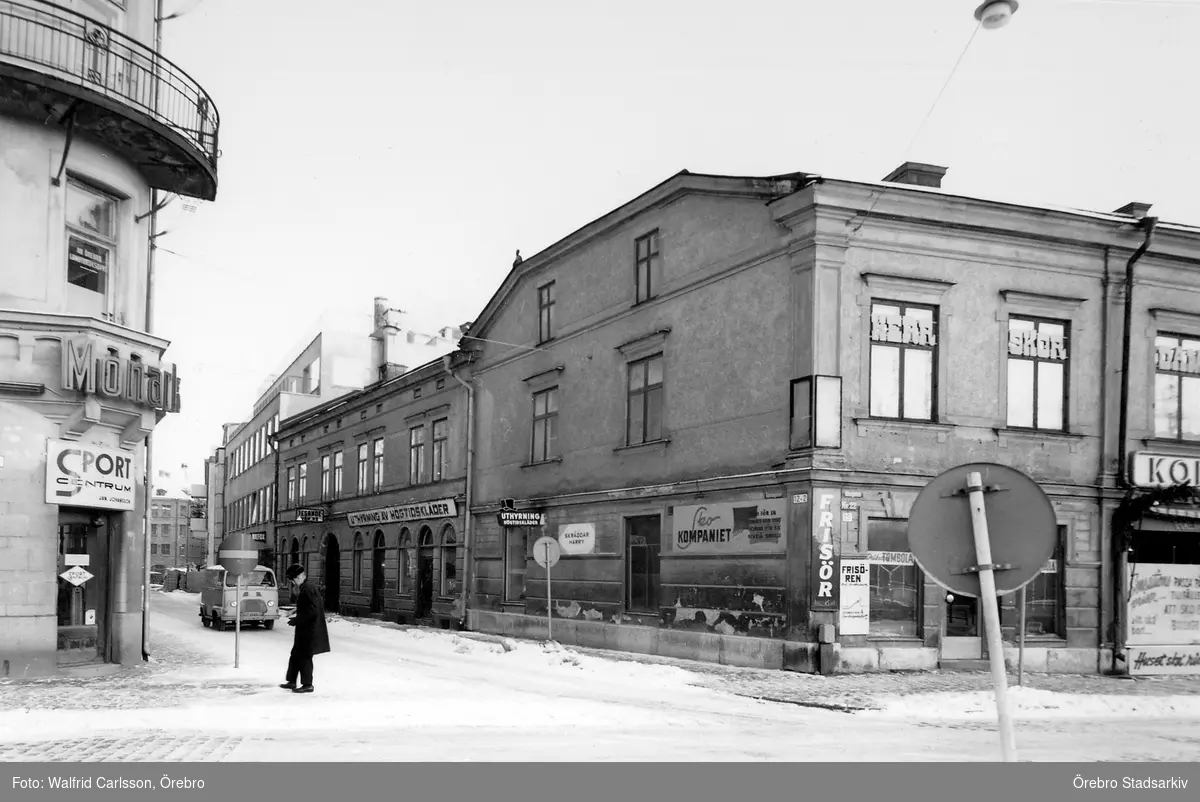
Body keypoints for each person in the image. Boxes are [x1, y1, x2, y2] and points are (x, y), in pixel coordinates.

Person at [280, 564, 330, 694]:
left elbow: (311, 612)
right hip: (305, 629)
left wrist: (297, 620)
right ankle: (291, 681)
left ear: (297, 578)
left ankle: (308, 684)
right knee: (296, 655)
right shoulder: (307, 588)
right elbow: (308, 607)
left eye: (293, 580)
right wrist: (296, 611)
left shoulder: (307, 589)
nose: (293, 583)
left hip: (309, 630)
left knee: (305, 657)